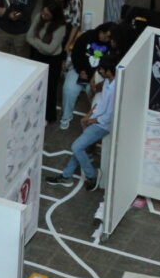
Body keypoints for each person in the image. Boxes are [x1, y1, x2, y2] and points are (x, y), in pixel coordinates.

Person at [49, 59, 116, 189]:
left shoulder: (115, 88)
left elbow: (109, 115)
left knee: (77, 147)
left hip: (102, 124)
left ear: (109, 71)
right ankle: (66, 175)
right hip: (97, 119)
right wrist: (89, 115)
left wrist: (91, 120)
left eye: (102, 69)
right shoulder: (108, 82)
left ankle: (92, 176)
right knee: (80, 147)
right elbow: (100, 104)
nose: (100, 71)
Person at [59, 22, 113, 129]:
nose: (106, 39)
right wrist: (81, 70)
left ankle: (92, 120)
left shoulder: (110, 45)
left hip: (98, 74)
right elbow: (76, 54)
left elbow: (107, 65)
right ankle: (66, 116)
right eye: (105, 36)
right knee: (69, 89)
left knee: (97, 96)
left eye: (108, 38)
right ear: (100, 31)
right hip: (80, 69)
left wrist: (94, 75)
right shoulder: (87, 36)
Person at [28, 0, 71, 122]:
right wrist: (40, 45)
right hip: (38, 56)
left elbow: (50, 49)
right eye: (43, 12)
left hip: (52, 61)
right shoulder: (39, 17)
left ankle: (48, 116)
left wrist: (37, 41)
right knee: (34, 85)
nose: (43, 15)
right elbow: (28, 37)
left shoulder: (60, 27)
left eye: (47, 14)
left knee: (49, 89)